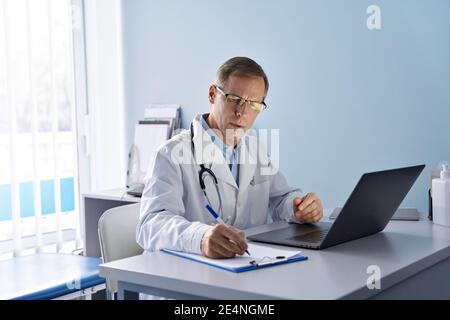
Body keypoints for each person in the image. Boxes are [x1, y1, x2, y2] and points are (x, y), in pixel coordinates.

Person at [136, 56, 323, 259]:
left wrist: (299, 208)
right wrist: (201, 238)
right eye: (235, 99)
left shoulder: (254, 149)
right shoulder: (171, 154)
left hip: (245, 268)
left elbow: (280, 199)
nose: (241, 112)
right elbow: (151, 225)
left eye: (253, 105)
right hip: (187, 275)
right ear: (212, 94)